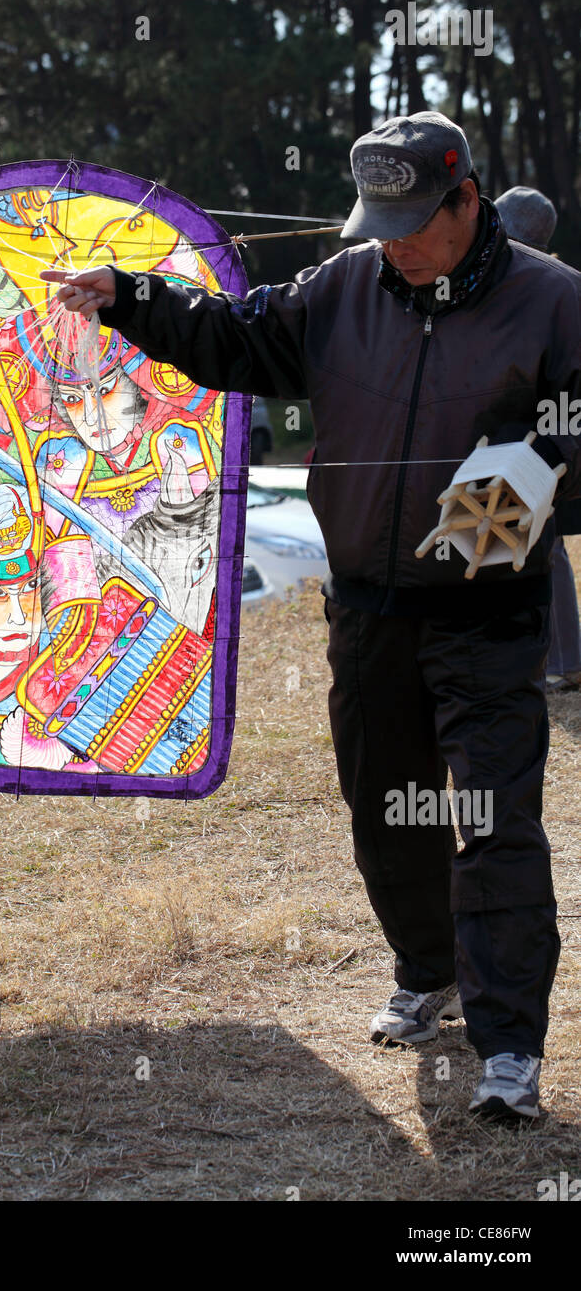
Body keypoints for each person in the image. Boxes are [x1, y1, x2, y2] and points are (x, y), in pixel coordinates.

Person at [42, 110, 581, 1122]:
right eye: (378, 225)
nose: (393, 245)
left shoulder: (555, 302)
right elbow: (238, 338)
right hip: (367, 611)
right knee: (386, 810)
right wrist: (132, 298)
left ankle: (509, 1048)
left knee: (493, 825)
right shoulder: (343, 287)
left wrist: (539, 467)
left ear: (467, 202)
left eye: (411, 225)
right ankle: (428, 972)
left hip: (489, 618)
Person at [494, 186, 581, 691]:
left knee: (544, 545)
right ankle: (551, 658)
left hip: (543, 432)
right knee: (531, 543)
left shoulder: (550, 287)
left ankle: (562, 662)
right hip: (531, 429)